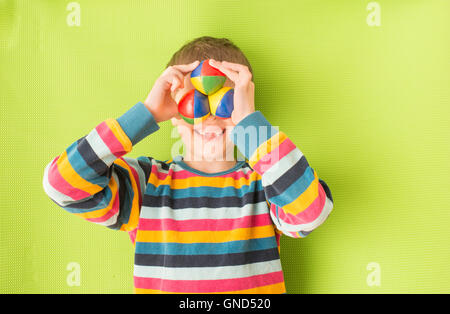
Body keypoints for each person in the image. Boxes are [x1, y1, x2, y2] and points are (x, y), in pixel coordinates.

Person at [43, 36, 334, 294]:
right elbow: (62, 187)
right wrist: (145, 115)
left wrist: (251, 126)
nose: (208, 117)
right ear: (173, 111)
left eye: (224, 99)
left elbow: (311, 212)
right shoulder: (147, 184)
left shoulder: (267, 181)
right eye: (193, 101)